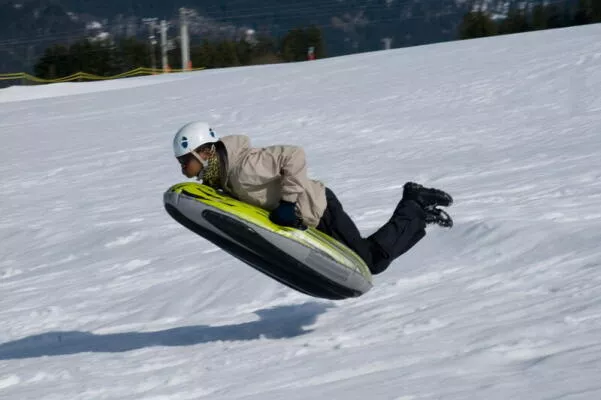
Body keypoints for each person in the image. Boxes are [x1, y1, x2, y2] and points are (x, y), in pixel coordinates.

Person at [172, 121, 453, 275]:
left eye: (185, 161)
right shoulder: (223, 178)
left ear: (204, 152)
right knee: (369, 261)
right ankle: (417, 216)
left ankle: (414, 204)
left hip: (320, 209)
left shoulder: (245, 166)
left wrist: (287, 203)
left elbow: (294, 155)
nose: (184, 169)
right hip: (306, 222)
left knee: (369, 263)